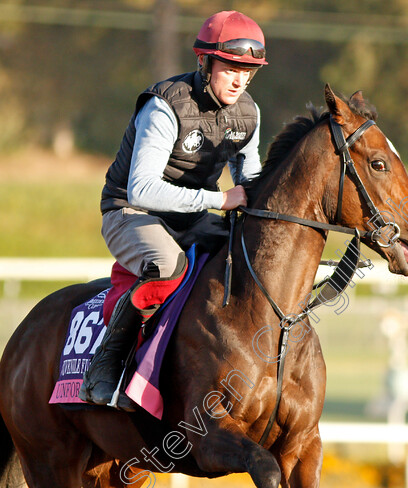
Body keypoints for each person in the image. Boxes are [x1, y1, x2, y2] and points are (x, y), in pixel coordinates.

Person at [79, 11, 268, 407]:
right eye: (231, 67)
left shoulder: (248, 113)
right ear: (205, 62)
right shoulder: (164, 107)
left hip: (190, 217)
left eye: (248, 71)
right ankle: (107, 366)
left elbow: (249, 183)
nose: (240, 79)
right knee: (169, 265)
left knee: (244, 258)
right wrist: (219, 200)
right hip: (129, 212)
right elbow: (143, 188)